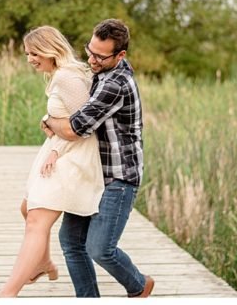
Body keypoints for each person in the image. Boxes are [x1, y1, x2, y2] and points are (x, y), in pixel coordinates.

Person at [43, 18, 154, 298]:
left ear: (121, 55)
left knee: (99, 248)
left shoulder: (116, 83)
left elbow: (73, 128)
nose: (91, 59)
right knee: (70, 241)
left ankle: (139, 285)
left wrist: (49, 120)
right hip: (91, 173)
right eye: (89, 50)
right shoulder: (100, 71)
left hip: (118, 177)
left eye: (100, 56)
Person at [0, 26, 105, 298]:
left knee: (36, 219)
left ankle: (7, 293)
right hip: (59, 150)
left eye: (34, 52)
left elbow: (85, 127)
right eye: (27, 54)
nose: (30, 59)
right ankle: (42, 262)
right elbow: (69, 121)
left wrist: (56, 146)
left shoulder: (68, 77)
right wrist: (51, 129)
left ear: (50, 50)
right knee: (27, 208)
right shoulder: (59, 75)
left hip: (74, 157)